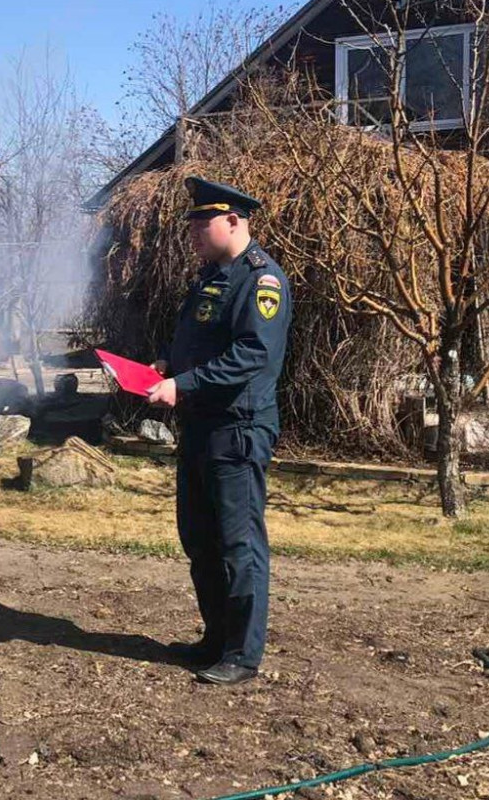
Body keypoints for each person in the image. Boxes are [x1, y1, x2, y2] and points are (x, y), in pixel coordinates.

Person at [147, 177, 292, 686]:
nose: (193, 233)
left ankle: (242, 653)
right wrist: (169, 364)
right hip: (201, 427)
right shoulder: (211, 276)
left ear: (234, 221)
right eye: (191, 224)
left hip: (237, 430)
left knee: (238, 543)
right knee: (200, 538)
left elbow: (254, 354)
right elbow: (205, 340)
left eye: (201, 223)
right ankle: (215, 637)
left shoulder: (261, 280)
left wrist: (182, 384)